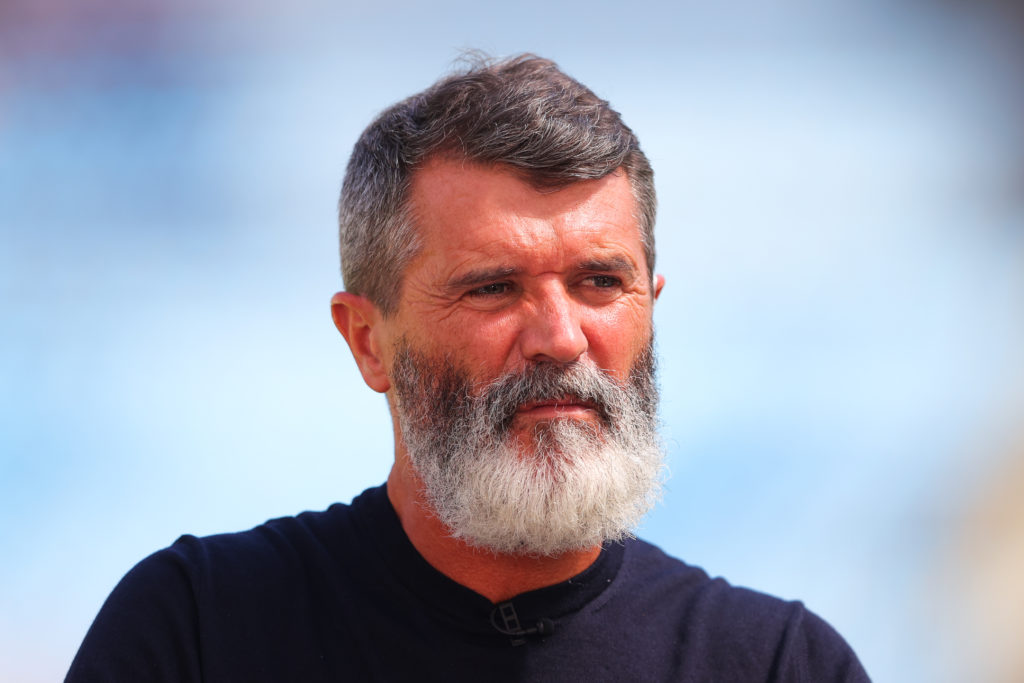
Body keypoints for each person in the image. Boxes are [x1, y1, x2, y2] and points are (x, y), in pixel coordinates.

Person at [67, 54, 870, 682]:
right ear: (367, 340)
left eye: (599, 282)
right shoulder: (199, 633)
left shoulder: (777, 664)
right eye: (494, 288)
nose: (560, 337)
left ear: (651, 306)